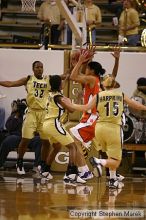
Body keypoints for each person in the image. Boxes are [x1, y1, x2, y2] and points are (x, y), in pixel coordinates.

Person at [63, 74, 146, 188]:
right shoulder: (120, 95)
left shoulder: (98, 95)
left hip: (100, 128)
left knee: (110, 154)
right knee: (115, 159)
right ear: (114, 85)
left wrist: (71, 104)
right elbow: (135, 105)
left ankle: (112, 179)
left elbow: (85, 107)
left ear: (104, 84)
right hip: (114, 128)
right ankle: (99, 162)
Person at [0, 61, 62, 175]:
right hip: (31, 112)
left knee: (46, 141)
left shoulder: (48, 79)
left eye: (41, 67)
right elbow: (11, 83)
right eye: (37, 67)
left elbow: (63, 77)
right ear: (33, 69)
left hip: (44, 113)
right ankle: (19, 162)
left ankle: (42, 165)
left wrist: (74, 65)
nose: (40, 69)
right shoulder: (28, 79)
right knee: (25, 139)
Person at [69, 46, 120, 180]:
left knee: (73, 138)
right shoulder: (98, 81)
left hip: (91, 118)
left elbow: (73, 76)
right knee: (104, 150)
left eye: (87, 68)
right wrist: (83, 61)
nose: (85, 70)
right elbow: (113, 76)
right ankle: (112, 175)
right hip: (96, 119)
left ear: (91, 71)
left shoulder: (92, 79)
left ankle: (84, 171)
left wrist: (80, 61)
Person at [42, 74, 86, 186]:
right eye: (62, 82)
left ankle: (45, 170)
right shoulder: (59, 98)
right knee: (73, 146)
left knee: (57, 146)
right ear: (59, 84)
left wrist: (67, 76)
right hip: (54, 123)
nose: (63, 83)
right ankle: (71, 174)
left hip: (46, 125)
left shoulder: (50, 93)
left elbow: (63, 84)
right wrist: (79, 99)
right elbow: (71, 110)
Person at [0, 99, 42, 170]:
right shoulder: (15, 114)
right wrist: (15, 115)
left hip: (30, 138)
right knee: (8, 140)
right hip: (17, 137)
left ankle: (37, 166)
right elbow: (9, 127)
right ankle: (0, 163)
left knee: (40, 140)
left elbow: (39, 129)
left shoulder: (35, 114)